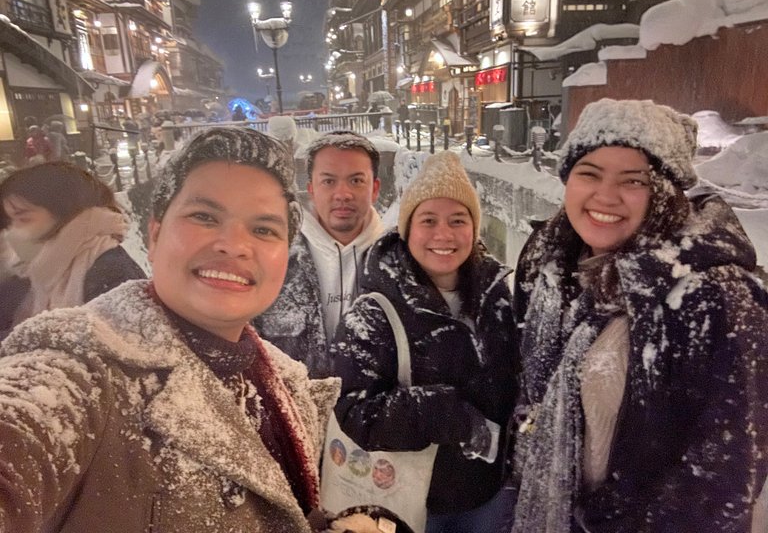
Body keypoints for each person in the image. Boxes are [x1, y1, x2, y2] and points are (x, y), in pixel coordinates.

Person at [0, 127, 342, 533]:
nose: (234, 245)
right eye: (204, 216)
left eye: (264, 229)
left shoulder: (282, 381)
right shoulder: (82, 365)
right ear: (156, 233)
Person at [509, 98, 768, 532]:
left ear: (664, 193)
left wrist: (610, 521)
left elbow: (725, 474)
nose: (605, 196)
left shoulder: (715, 293)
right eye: (589, 174)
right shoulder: (549, 264)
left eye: (633, 181)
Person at [333, 151, 518, 533]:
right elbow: (352, 411)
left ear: (474, 228)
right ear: (408, 229)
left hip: (489, 493)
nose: (443, 235)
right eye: (428, 220)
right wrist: (447, 415)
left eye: (457, 220)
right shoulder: (374, 310)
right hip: (415, 503)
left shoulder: (497, 295)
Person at [253, 130, 385, 379]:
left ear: (375, 188)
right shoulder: (273, 258)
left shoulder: (399, 260)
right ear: (311, 189)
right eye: (329, 181)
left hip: (374, 414)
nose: (343, 194)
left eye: (356, 181)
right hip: (297, 412)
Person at [0, 161, 145, 339]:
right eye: (9, 221)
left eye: (23, 219)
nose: (11, 231)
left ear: (65, 214)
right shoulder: (29, 274)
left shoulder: (113, 273)